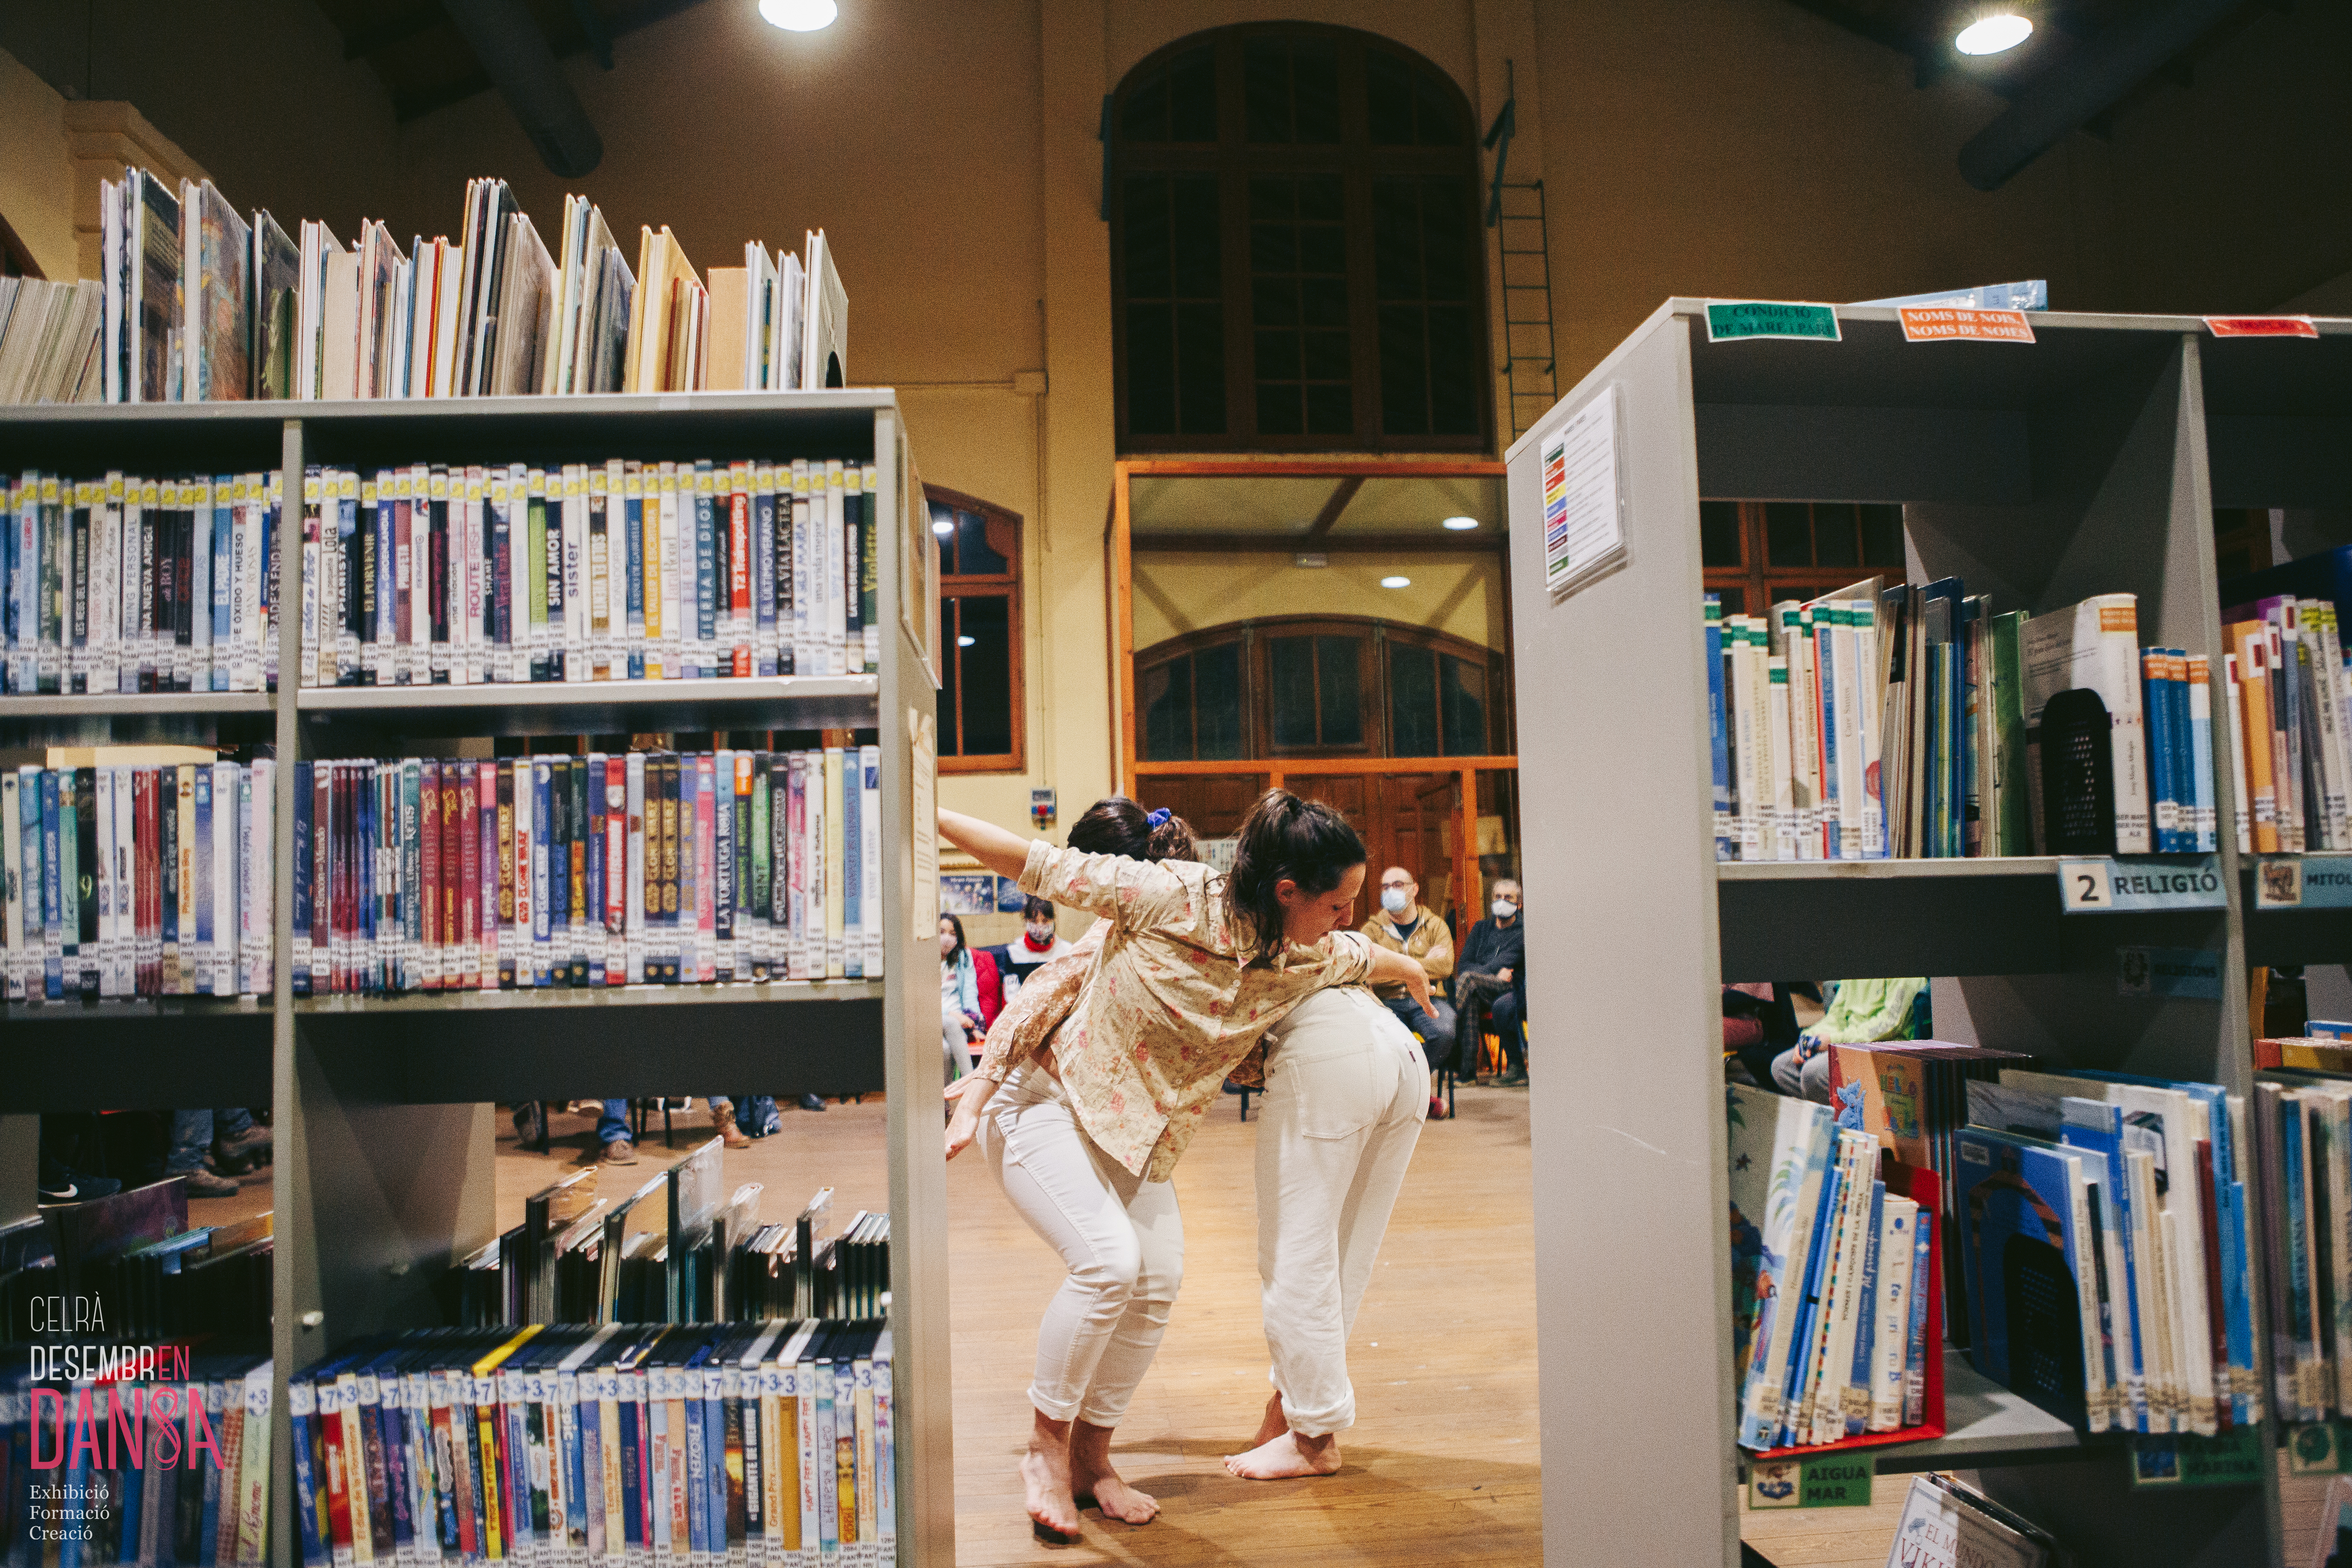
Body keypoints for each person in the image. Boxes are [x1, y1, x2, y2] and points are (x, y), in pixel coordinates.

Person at [938, 790, 1436, 1539]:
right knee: (1109, 1263)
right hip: (1045, 1101)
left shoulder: (1303, 948)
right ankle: (1045, 1450)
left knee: (1158, 1279)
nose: (1345, 917)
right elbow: (1031, 866)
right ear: (1286, 891)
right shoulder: (1169, 895)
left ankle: (1092, 1462)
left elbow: (1368, 954)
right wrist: (921, 813)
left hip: (1134, 1137)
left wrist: (1415, 972)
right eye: (1336, 903)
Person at [1224, 984, 1427, 1480]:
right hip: (1399, 1048)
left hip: (1329, 1052)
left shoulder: (1209, 924)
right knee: (1345, 1251)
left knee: (1296, 1254)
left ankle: (1313, 1439)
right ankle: (1292, 1414)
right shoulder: (1323, 941)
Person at [1360, 866, 1459, 1118]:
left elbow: (1445, 966)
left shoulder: (1435, 926)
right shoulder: (1372, 930)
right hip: (1384, 1001)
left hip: (1428, 997)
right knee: (1378, 1040)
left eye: (1398, 885)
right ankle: (1418, 1097)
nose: (1391, 891)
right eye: (1385, 887)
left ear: (1414, 890)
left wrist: (1391, 964)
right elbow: (1363, 968)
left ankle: (1404, 1094)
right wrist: (1420, 964)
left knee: (1443, 1032)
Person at [1454, 878, 1526, 1086]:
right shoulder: (1481, 928)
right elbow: (1463, 965)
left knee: (1468, 980)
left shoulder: (1523, 933)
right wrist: (1489, 974)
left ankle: (1448, 1020)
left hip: (1510, 989)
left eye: (1508, 897)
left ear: (1519, 904)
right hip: (1483, 987)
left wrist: (1480, 973)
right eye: (1498, 897)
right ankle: (1468, 1074)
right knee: (1471, 994)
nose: (1502, 901)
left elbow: (1504, 962)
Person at [940, 914, 1002, 1081]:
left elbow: (970, 993)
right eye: (942, 932)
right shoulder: (922, 961)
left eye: (953, 934)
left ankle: (943, 1104)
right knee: (951, 1023)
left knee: (945, 1050)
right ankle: (970, 1083)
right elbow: (923, 1000)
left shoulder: (964, 957)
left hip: (960, 1024)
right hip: (934, 1019)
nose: (947, 938)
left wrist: (975, 1025)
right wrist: (952, 1015)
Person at [988, 896, 1074, 1000]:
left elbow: (1070, 990)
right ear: (1026, 922)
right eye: (1034, 921)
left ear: (1053, 921)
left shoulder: (1067, 951)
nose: (1040, 927)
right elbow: (1011, 996)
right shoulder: (1014, 953)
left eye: (1045, 921)